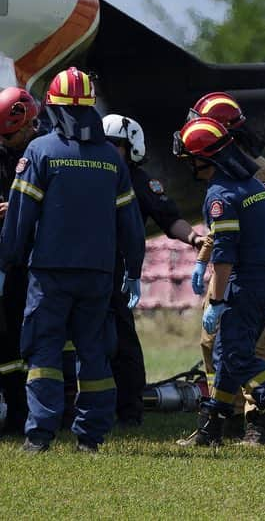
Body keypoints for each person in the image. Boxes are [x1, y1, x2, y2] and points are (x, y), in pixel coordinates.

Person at [0, 67, 145, 453]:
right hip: (99, 276)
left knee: (44, 352)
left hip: (49, 275)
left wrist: (7, 260)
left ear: (52, 106)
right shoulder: (112, 160)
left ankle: (39, 436)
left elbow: (19, 218)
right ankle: (91, 438)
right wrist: (134, 270)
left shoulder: (40, 151)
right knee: (93, 353)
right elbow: (131, 224)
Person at [173, 116, 265, 452]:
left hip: (244, 284)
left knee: (238, 355)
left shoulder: (220, 196)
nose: (188, 165)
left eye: (190, 158)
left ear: (204, 160)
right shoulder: (252, 185)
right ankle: (210, 429)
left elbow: (224, 256)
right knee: (228, 354)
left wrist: (218, 301)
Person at [184, 92, 265, 445]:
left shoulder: (258, 172)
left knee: (249, 350)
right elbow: (223, 232)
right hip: (228, 272)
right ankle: (217, 421)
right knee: (211, 343)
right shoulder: (231, 168)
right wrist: (203, 263)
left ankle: (259, 422)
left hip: (248, 274)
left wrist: (256, 277)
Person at [102, 113, 206, 427]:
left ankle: (129, 411)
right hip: (78, 269)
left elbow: (168, 217)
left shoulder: (140, 182)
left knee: (122, 345)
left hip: (115, 274)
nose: (109, 150)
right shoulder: (89, 172)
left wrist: (193, 237)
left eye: (115, 145)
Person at [0, 87, 42, 436]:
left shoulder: (46, 153)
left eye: (10, 133)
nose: (6, 139)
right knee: (9, 340)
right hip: (11, 261)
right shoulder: (4, 151)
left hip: (43, 259)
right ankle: (17, 413)